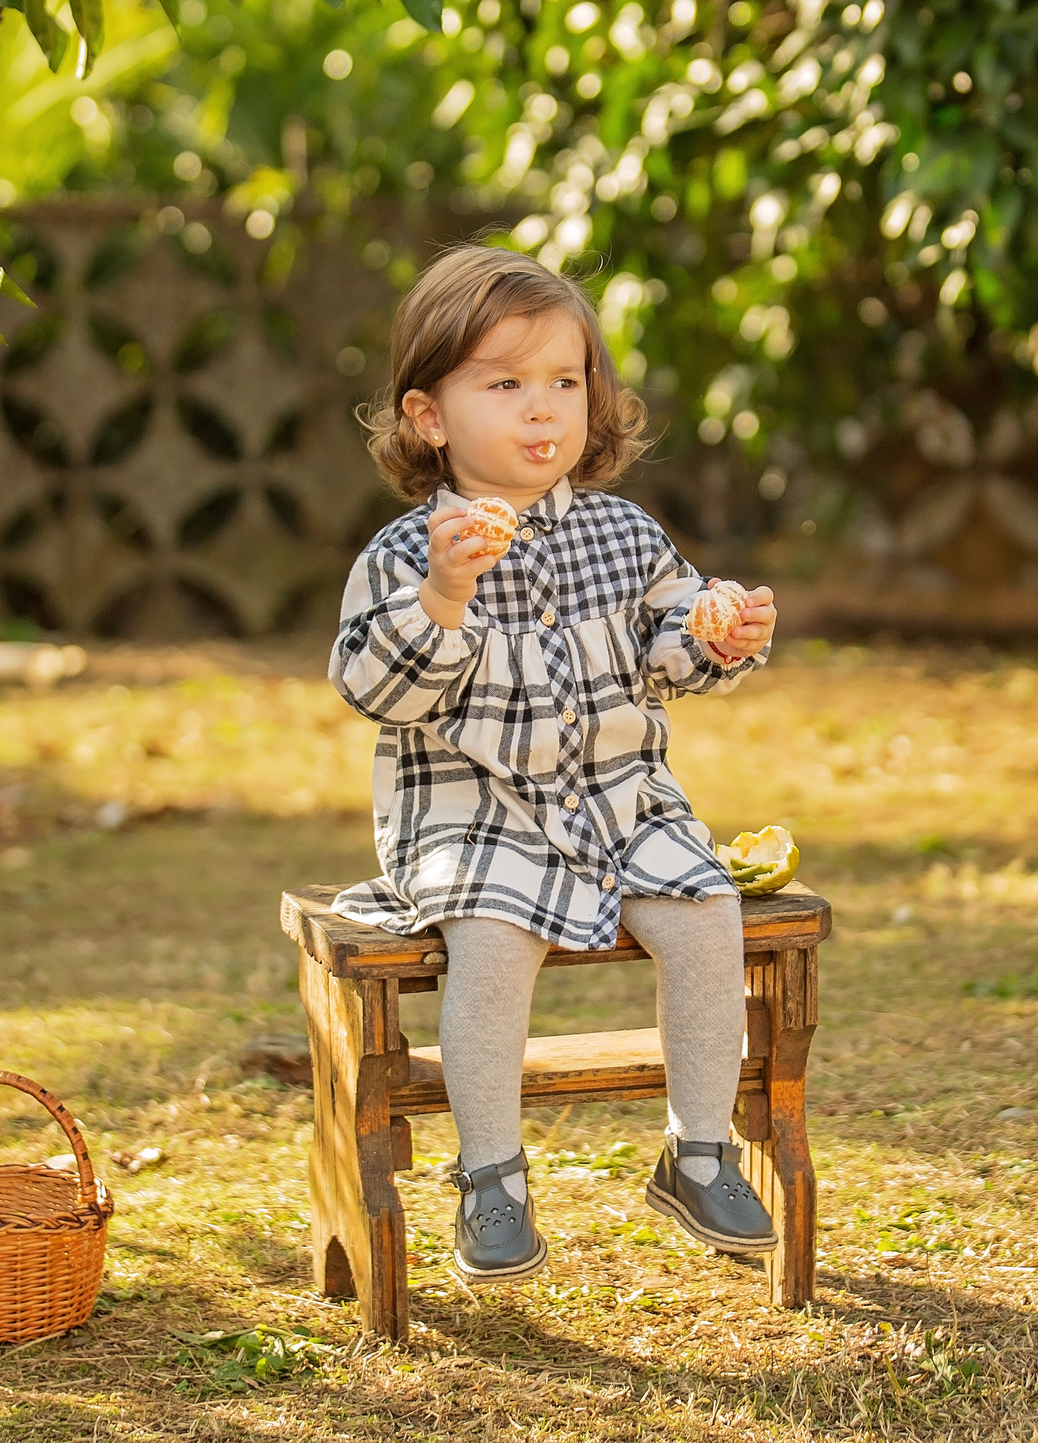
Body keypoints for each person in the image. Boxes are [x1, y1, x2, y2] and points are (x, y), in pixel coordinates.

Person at [328, 245, 781, 1286]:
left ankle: (698, 1148)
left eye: (564, 383)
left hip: (619, 801)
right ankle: (490, 1175)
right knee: (491, 938)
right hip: (471, 812)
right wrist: (445, 593)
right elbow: (373, 689)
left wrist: (720, 630)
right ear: (428, 417)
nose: (542, 411)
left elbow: (669, 646)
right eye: (504, 384)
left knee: (705, 913)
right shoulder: (409, 556)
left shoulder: (622, 534)